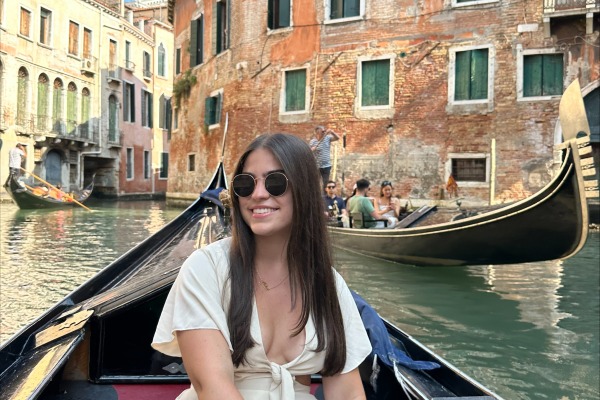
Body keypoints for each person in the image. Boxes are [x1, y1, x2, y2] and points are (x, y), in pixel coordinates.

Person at [152, 133, 372, 400]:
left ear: (304, 190)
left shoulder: (328, 282)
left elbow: (347, 393)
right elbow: (214, 389)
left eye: (275, 182)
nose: (257, 194)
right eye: (245, 184)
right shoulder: (206, 267)